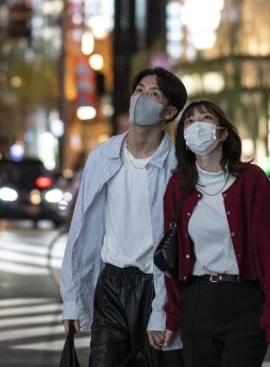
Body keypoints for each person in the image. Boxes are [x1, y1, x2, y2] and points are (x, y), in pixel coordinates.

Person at [60, 67, 187, 367]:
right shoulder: (102, 156)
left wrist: (162, 309)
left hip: (155, 286)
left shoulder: (177, 168)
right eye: (138, 90)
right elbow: (81, 230)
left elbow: (181, 242)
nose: (141, 98)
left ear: (168, 112)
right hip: (111, 285)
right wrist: (72, 301)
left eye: (153, 94)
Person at [162, 101, 270, 367]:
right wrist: (172, 316)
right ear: (184, 139)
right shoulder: (178, 186)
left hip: (245, 302)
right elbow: (173, 259)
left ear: (223, 133)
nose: (196, 125)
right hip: (198, 301)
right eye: (189, 121)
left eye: (205, 118)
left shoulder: (252, 180)